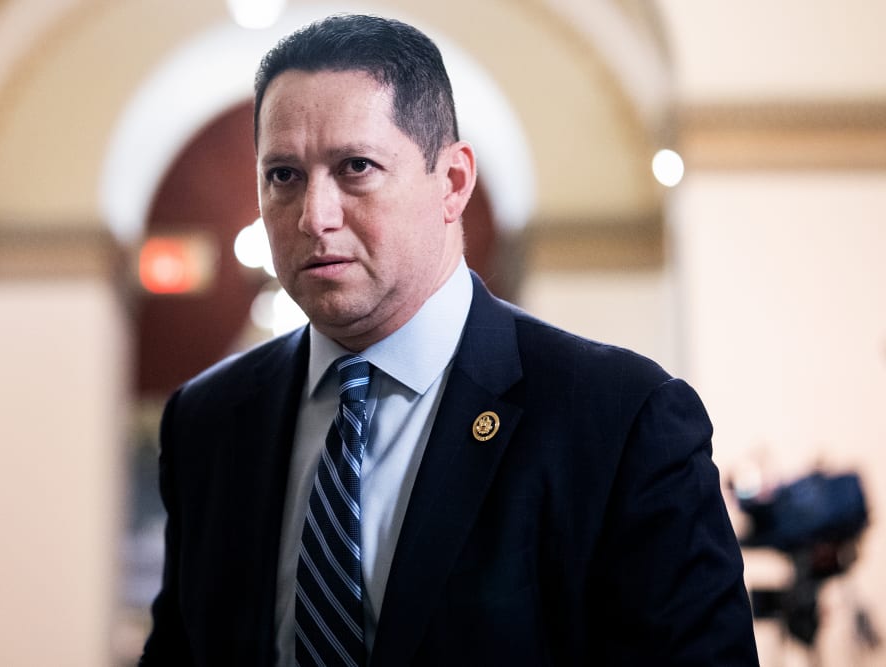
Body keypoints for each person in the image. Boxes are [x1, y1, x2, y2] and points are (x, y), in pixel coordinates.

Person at [140, 13, 759, 666]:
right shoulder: (207, 422)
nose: (313, 217)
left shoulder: (622, 421)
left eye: (355, 166)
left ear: (453, 183)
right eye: (283, 176)